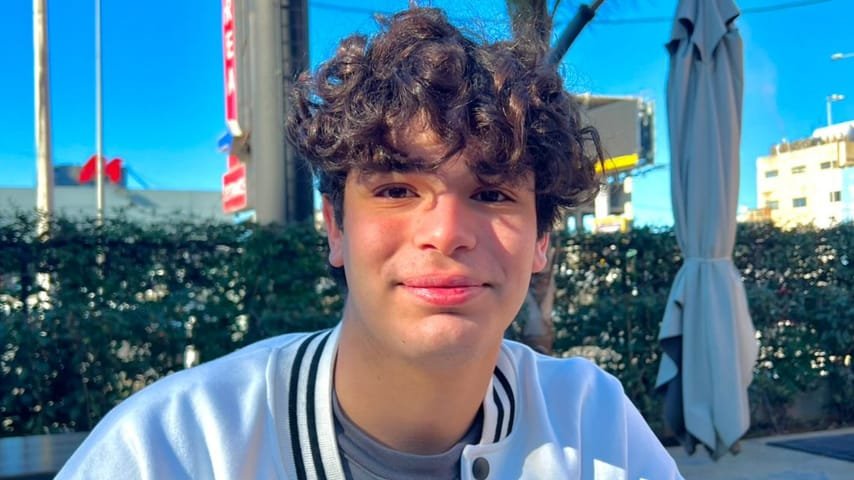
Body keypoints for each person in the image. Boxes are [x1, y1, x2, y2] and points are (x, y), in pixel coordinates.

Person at [58, 7, 682, 480]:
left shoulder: (593, 423)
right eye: (396, 190)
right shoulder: (172, 448)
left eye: (492, 194)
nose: (446, 232)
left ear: (541, 239)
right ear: (336, 227)